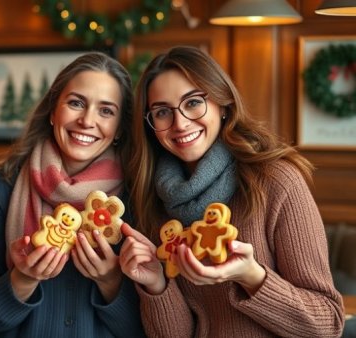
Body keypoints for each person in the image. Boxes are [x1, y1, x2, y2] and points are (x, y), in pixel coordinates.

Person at [119, 45, 345, 337]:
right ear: (150, 125)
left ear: (222, 104)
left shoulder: (276, 181)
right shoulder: (154, 199)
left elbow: (328, 323)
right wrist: (156, 285)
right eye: (162, 112)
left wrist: (251, 276)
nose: (180, 123)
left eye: (193, 102)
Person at [0, 52, 146, 337]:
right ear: (54, 111)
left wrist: (110, 282)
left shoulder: (138, 194)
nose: (87, 120)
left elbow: (153, 328)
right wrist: (22, 279)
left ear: (119, 128)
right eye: (76, 103)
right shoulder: (3, 187)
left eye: (106, 111)